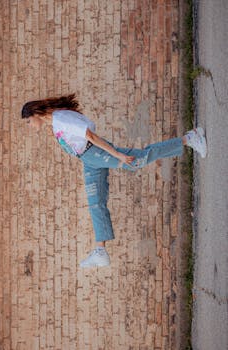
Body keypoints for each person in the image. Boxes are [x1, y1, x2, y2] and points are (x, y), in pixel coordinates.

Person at [22, 93, 207, 268]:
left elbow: (91, 136)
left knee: (138, 160)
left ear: (36, 113)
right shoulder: (55, 123)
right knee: (96, 202)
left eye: (29, 122)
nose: (30, 126)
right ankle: (100, 250)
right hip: (88, 160)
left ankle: (190, 138)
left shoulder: (61, 119)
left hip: (95, 152)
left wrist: (117, 154)